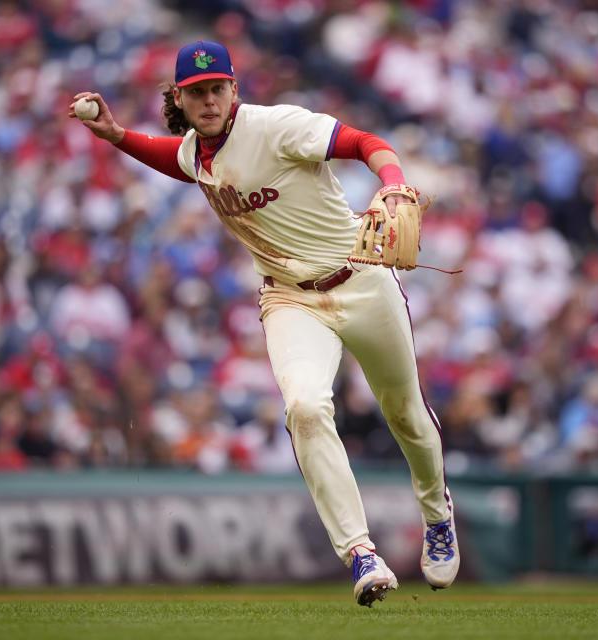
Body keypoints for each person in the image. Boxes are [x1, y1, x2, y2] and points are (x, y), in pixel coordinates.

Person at [68, 40, 459, 606]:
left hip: (362, 278)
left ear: (234, 89)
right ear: (180, 97)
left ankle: (437, 514)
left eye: (217, 88)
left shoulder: (278, 127)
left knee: (406, 414)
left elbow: (363, 141)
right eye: (197, 92)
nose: (209, 100)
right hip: (290, 301)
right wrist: (118, 135)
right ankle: (360, 553)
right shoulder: (198, 153)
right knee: (304, 406)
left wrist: (392, 179)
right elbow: (174, 160)